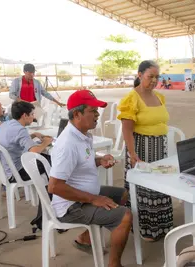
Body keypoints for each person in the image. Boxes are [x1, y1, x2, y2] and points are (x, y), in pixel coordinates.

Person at [48, 90, 131, 267]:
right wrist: (95, 199)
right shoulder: (68, 143)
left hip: (84, 194)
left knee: (123, 194)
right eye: (92, 111)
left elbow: (80, 164)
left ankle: (85, 238)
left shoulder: (82, 135)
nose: (97, 115)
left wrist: (100, 161)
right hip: (70, 206)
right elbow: (54, 187)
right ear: (77, 114)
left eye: (97, 111)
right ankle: (114, 264)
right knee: (125, 216)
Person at [118, 60, 172, 242]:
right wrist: (133, 154)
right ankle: (146, 229)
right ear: (140, 75)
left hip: (159, 148)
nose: (154, 80)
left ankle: (162, 227)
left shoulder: (159, 97)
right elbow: (127, 130)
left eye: (157, 77)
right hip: (142, 148)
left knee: (160, 186)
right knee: (145, 189)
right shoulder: (131, 99)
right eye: (150, 77)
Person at [0, 101, 52, 182]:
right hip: (16, 173)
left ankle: (45, 188)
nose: (33, 117)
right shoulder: (20, 130)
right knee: (51, 161)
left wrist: (34, 134)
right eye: (32, 114)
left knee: (45, 158)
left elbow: (15, 140)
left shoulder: (6, 124)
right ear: (25, 115)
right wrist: (46, 142)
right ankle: (49, 192)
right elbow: (34, 151)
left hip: (5, 170)